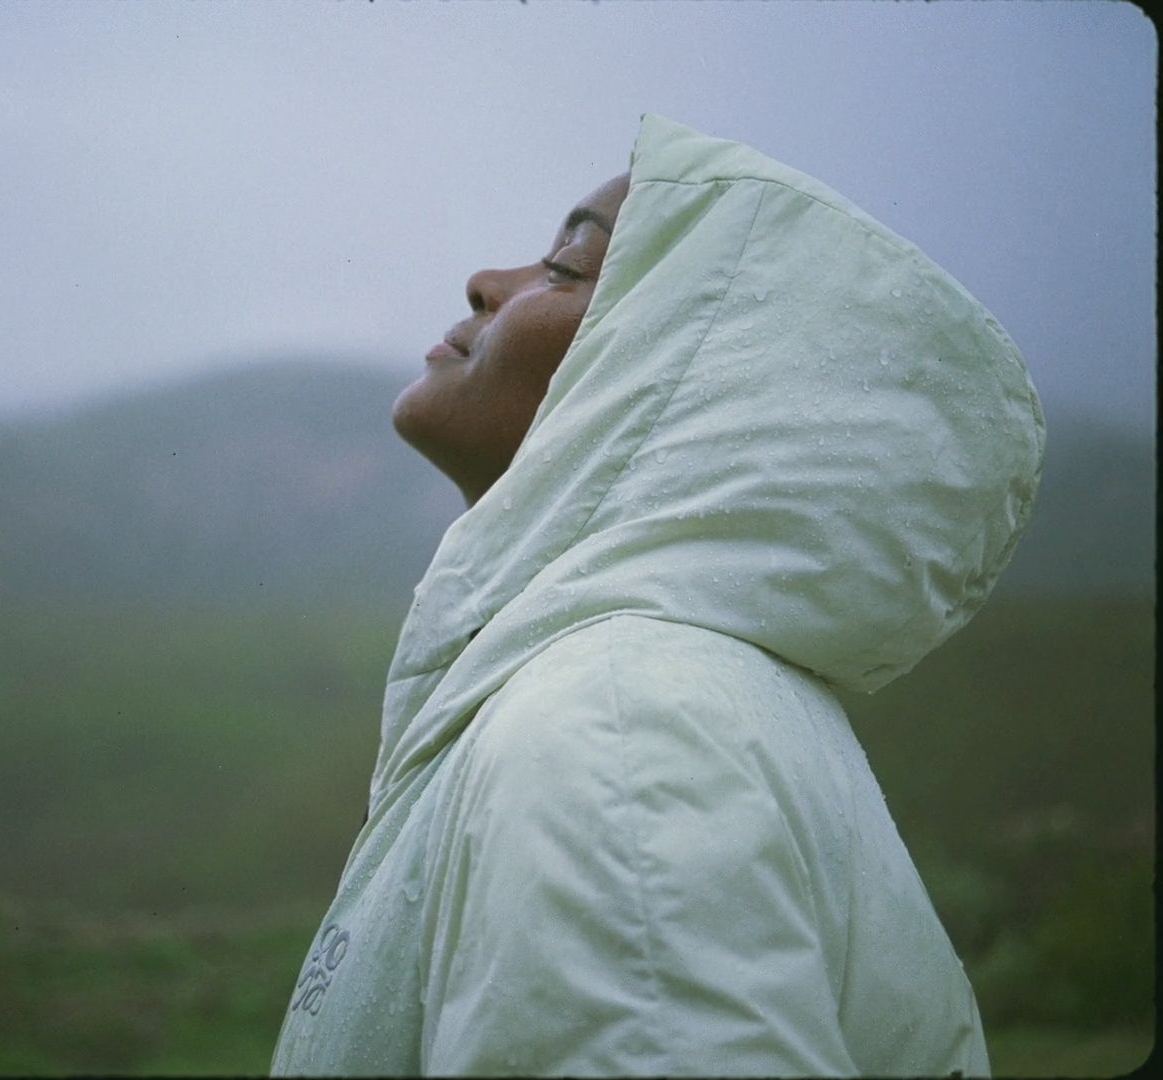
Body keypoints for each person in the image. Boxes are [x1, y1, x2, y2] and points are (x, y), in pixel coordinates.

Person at [270, 113, 1042, 1077]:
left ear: (685, 377)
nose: (487, 281)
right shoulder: (659, 698)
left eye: (566, 267)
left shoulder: (616, 726)